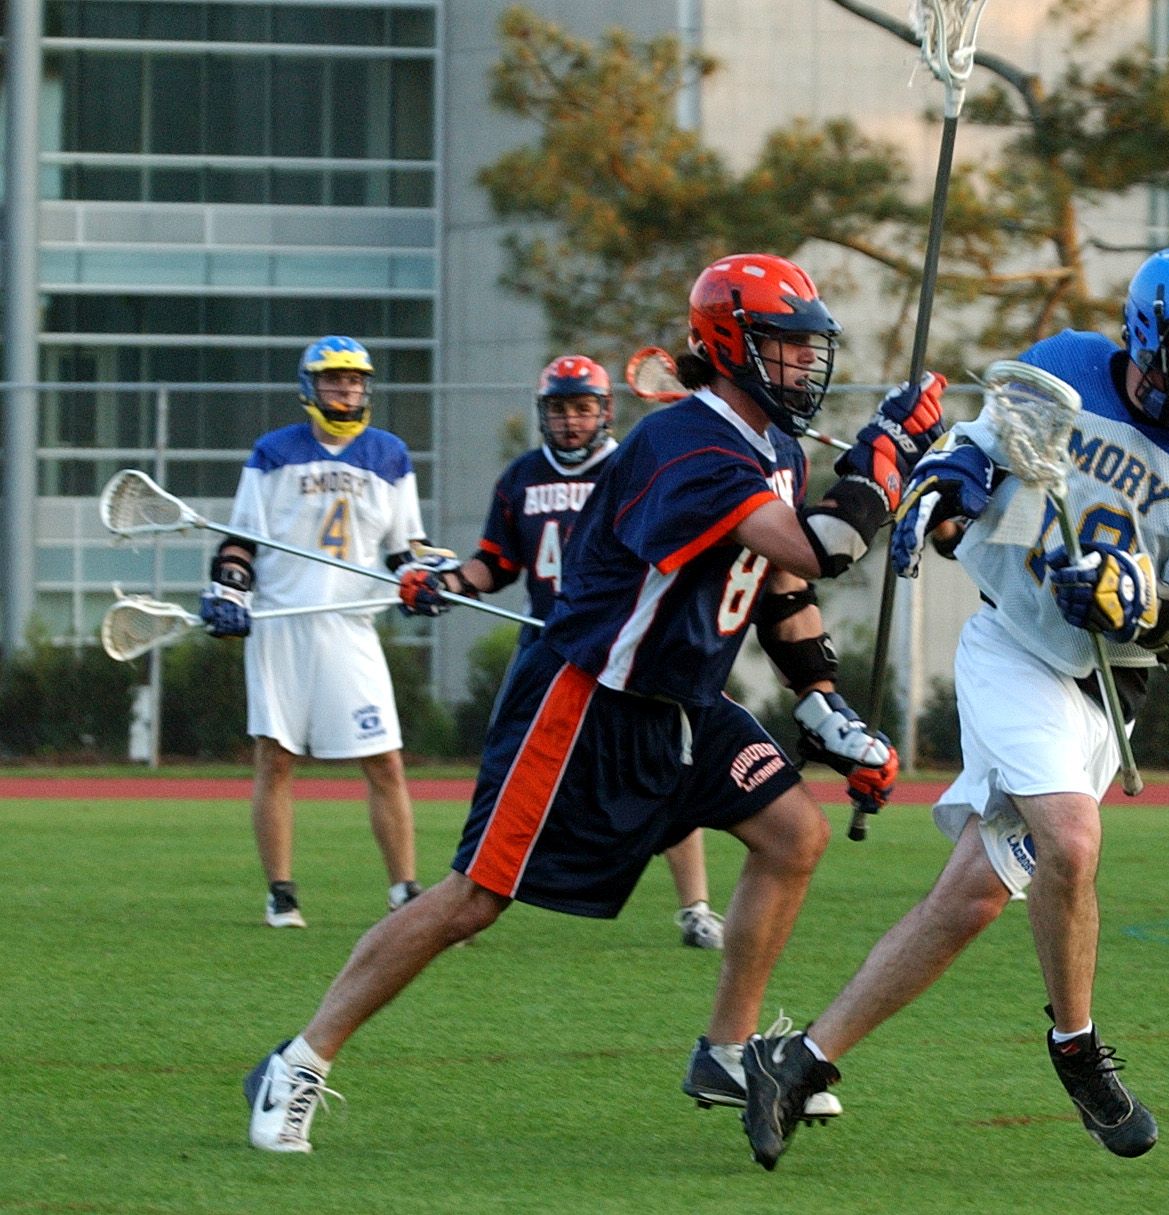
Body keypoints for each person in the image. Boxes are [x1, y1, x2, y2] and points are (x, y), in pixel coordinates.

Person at [243, 252, 946, 1153]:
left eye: (809, 346)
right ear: (731, 344)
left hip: (684, 699)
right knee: (473, 900)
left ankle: (726, 1051)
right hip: (589, 698)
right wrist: (884, 455)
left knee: (791, 835)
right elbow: (821, 547)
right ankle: (299, 1059)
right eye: (785, 344)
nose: (805, 363)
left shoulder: (770, 445)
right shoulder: (686, 444)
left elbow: (777, 581)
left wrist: (819, 698)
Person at [740, 246, 1169, 1168]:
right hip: (1014, 649)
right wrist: (947, 488)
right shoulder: (1068, 368)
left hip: (1107, 690)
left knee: (969, 899)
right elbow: (979, 455)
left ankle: (795, 1061)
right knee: (1071, 840)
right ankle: (1077, 1048)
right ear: (1149, 337)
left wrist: (1137, 606)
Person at [396, 354, 728, 950]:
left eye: (582, 408)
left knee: (665, 774)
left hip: (626, 649)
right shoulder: (521, 478)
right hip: (548, 652)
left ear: (605, 411)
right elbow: (495, 562)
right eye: (559, 409)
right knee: (503, 775)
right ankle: (460, 901)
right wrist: (449, 582)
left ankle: (696, 909)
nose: (571, 421)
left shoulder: (636, 464)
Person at [201, 336, 427, 929]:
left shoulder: (390, 455)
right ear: (311, 387)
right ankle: (281, 894)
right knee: (276, 759)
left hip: (351, 628)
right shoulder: (273, 452)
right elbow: (240, 543)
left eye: (354, 380)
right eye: (334, 380)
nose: (345, 390)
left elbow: (406, 548)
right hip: (283, 625)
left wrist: (423, 583)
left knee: (385, 761)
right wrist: (229, 589)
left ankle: (405, 891)